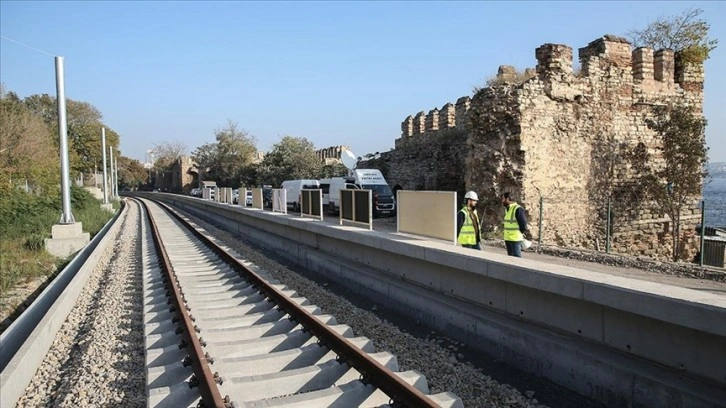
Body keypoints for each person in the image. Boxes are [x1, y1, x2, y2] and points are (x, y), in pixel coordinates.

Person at [501, 192, 530, 257]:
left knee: (517, 260)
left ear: (507, 199)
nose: (502, 201)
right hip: (508, 238)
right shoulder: (508, 209)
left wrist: (520, 233)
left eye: (503, 199)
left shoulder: (517, 209)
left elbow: (523, 224)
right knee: (510, 260)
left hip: (515, 239)